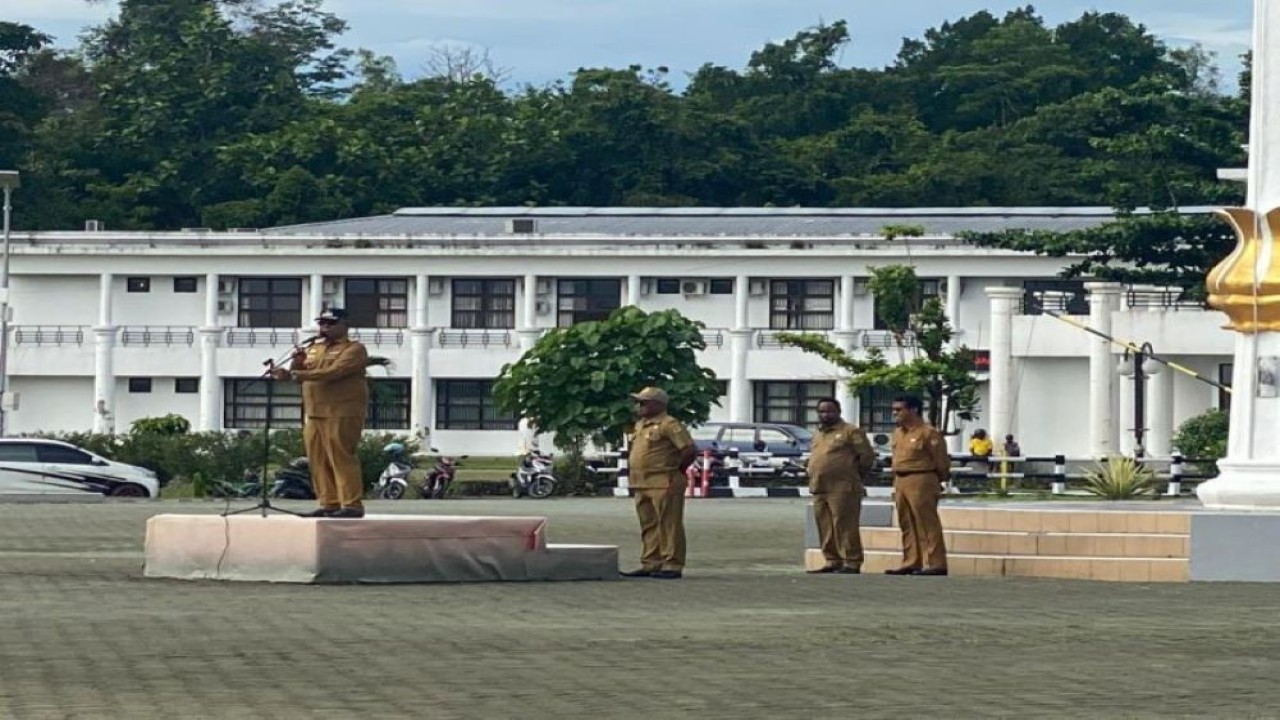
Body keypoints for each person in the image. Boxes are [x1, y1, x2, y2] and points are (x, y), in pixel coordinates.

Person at [270, 308, 369, 518]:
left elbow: (334, 373)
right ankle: (329, 503)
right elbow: (302, 370)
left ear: (344, 325)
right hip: (314, 412)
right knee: (317, 459)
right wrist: (295, 362)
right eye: (322, 323)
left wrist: (295, 375)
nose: (325, 327)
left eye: (330, 323)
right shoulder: (314, 348)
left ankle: (351, 505)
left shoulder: (354, 349)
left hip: (341, 411)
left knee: (341, 457)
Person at [621, 386, 696, 579]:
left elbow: (688, 450)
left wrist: (677, 469)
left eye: (643, 402)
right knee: (649, 524)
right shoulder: (640, 425)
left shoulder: (669, 424)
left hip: (664, 480)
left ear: (658, 404)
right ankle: (651, 562)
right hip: (642, 482)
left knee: (669, 523)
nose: (639, 406)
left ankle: (672, 564)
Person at [805, 398, 876, 574]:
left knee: (844, 525)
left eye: (829, 411)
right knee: (825, 526)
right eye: (822, 411)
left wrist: (853, 474)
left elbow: (866, 457)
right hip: (820, 486)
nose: (825, 415)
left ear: (838, 411)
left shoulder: (851, 431)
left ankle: (851, 561)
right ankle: (832, 560)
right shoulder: (818, 434)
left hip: (843, 487)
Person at [885, 395, 950, 576]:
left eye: (899, 409)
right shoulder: (899, 433)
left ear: (913, 410)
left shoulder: (928, 432)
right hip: (900, 479)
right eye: (894, 409)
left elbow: (941, 460)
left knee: (926, 522)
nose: (895, 413)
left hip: (922, 478)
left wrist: (938, 479)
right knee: (906, 522)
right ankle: (912, 561)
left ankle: (935, 563)